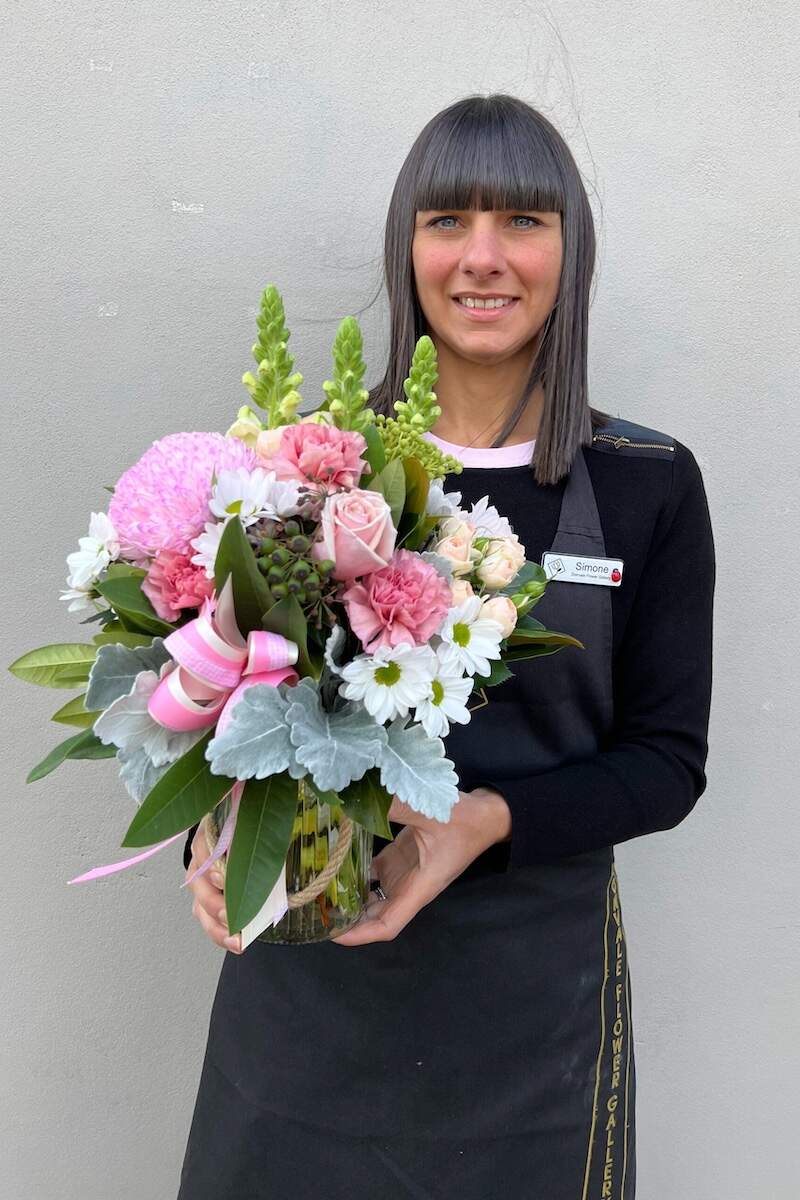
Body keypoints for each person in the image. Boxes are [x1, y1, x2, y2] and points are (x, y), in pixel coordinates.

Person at [177, 93, 715, 1199]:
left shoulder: (645, 480)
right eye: (445, 222)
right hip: (308, 989)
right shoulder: (307, 467)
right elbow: (224, 693)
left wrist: (481, 821)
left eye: (522, 221)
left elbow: (665, 761)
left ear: (570, 248)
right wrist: (211, 840)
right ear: (404, 246)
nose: (482, 258)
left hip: (530, 1012)